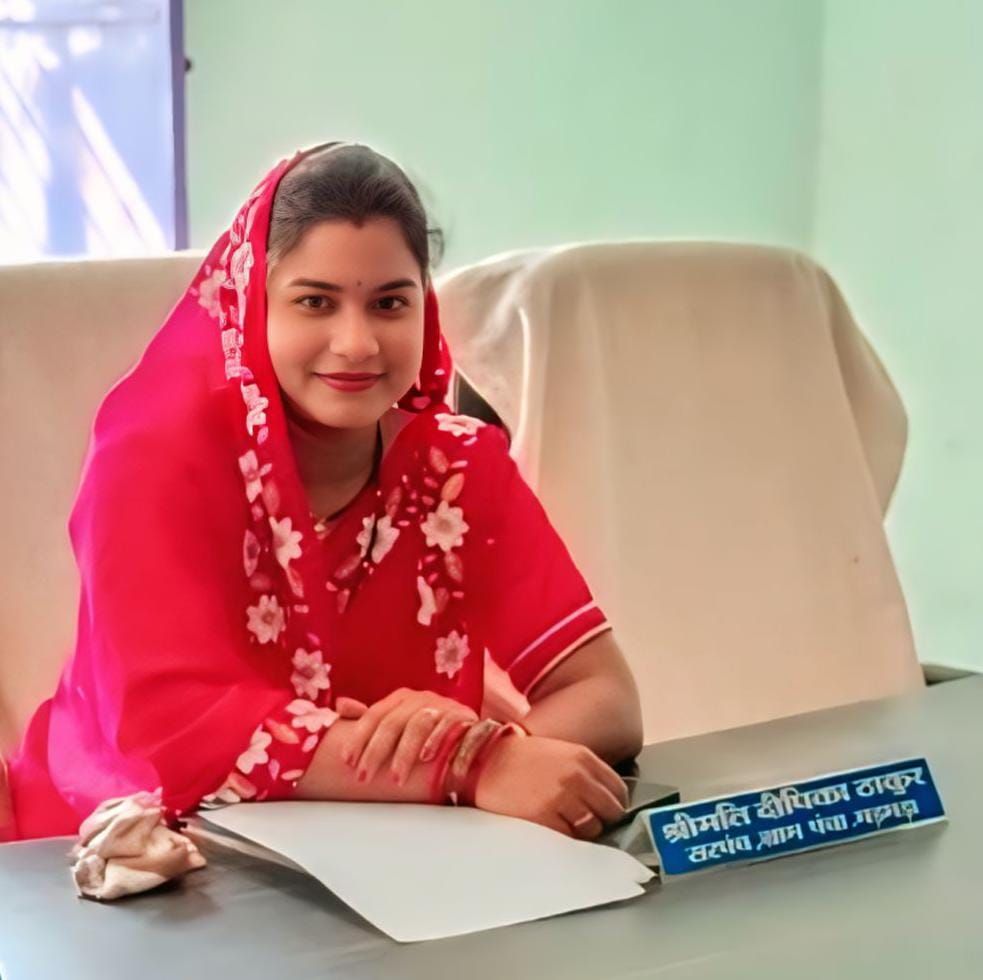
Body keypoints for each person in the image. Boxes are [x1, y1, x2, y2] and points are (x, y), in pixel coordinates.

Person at [0, 141, 643, 847]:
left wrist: (503, 755)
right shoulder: (150, 457)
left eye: (390, 303)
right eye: (315, 302)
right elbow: (170, 730)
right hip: (120, 850)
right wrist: (465, 763)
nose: (357, 342)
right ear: (253, 305)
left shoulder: (458, 467)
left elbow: (604, 695)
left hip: (390, 856)